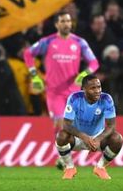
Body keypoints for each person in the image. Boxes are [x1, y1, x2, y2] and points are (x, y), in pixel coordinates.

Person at [24, 11, 99, 169]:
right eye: (63, 21)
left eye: (68, 21)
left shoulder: (79, 42)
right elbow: (28, 54)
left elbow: (94, 63)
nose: (66, 24)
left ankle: (63, 156)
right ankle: (63, 159)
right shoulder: (48, 41)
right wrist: (34, 75)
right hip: (54, 91)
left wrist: (84, 74)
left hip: (74, 93)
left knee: (72, 126)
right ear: (57, 24)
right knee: (59, 123)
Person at [55, 74, 123, 180]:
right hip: (77, 137)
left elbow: (111, 125)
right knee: (61, 136)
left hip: (97, 137)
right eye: (93, 88)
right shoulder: (75, 98)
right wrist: (84, 137)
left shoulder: (106, 99)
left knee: (117, 139)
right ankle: (69, 168)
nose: (97, 91)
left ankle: (100, 167)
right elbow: (66, 124)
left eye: (99, 87)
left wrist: (98, 139)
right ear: (84, 89)